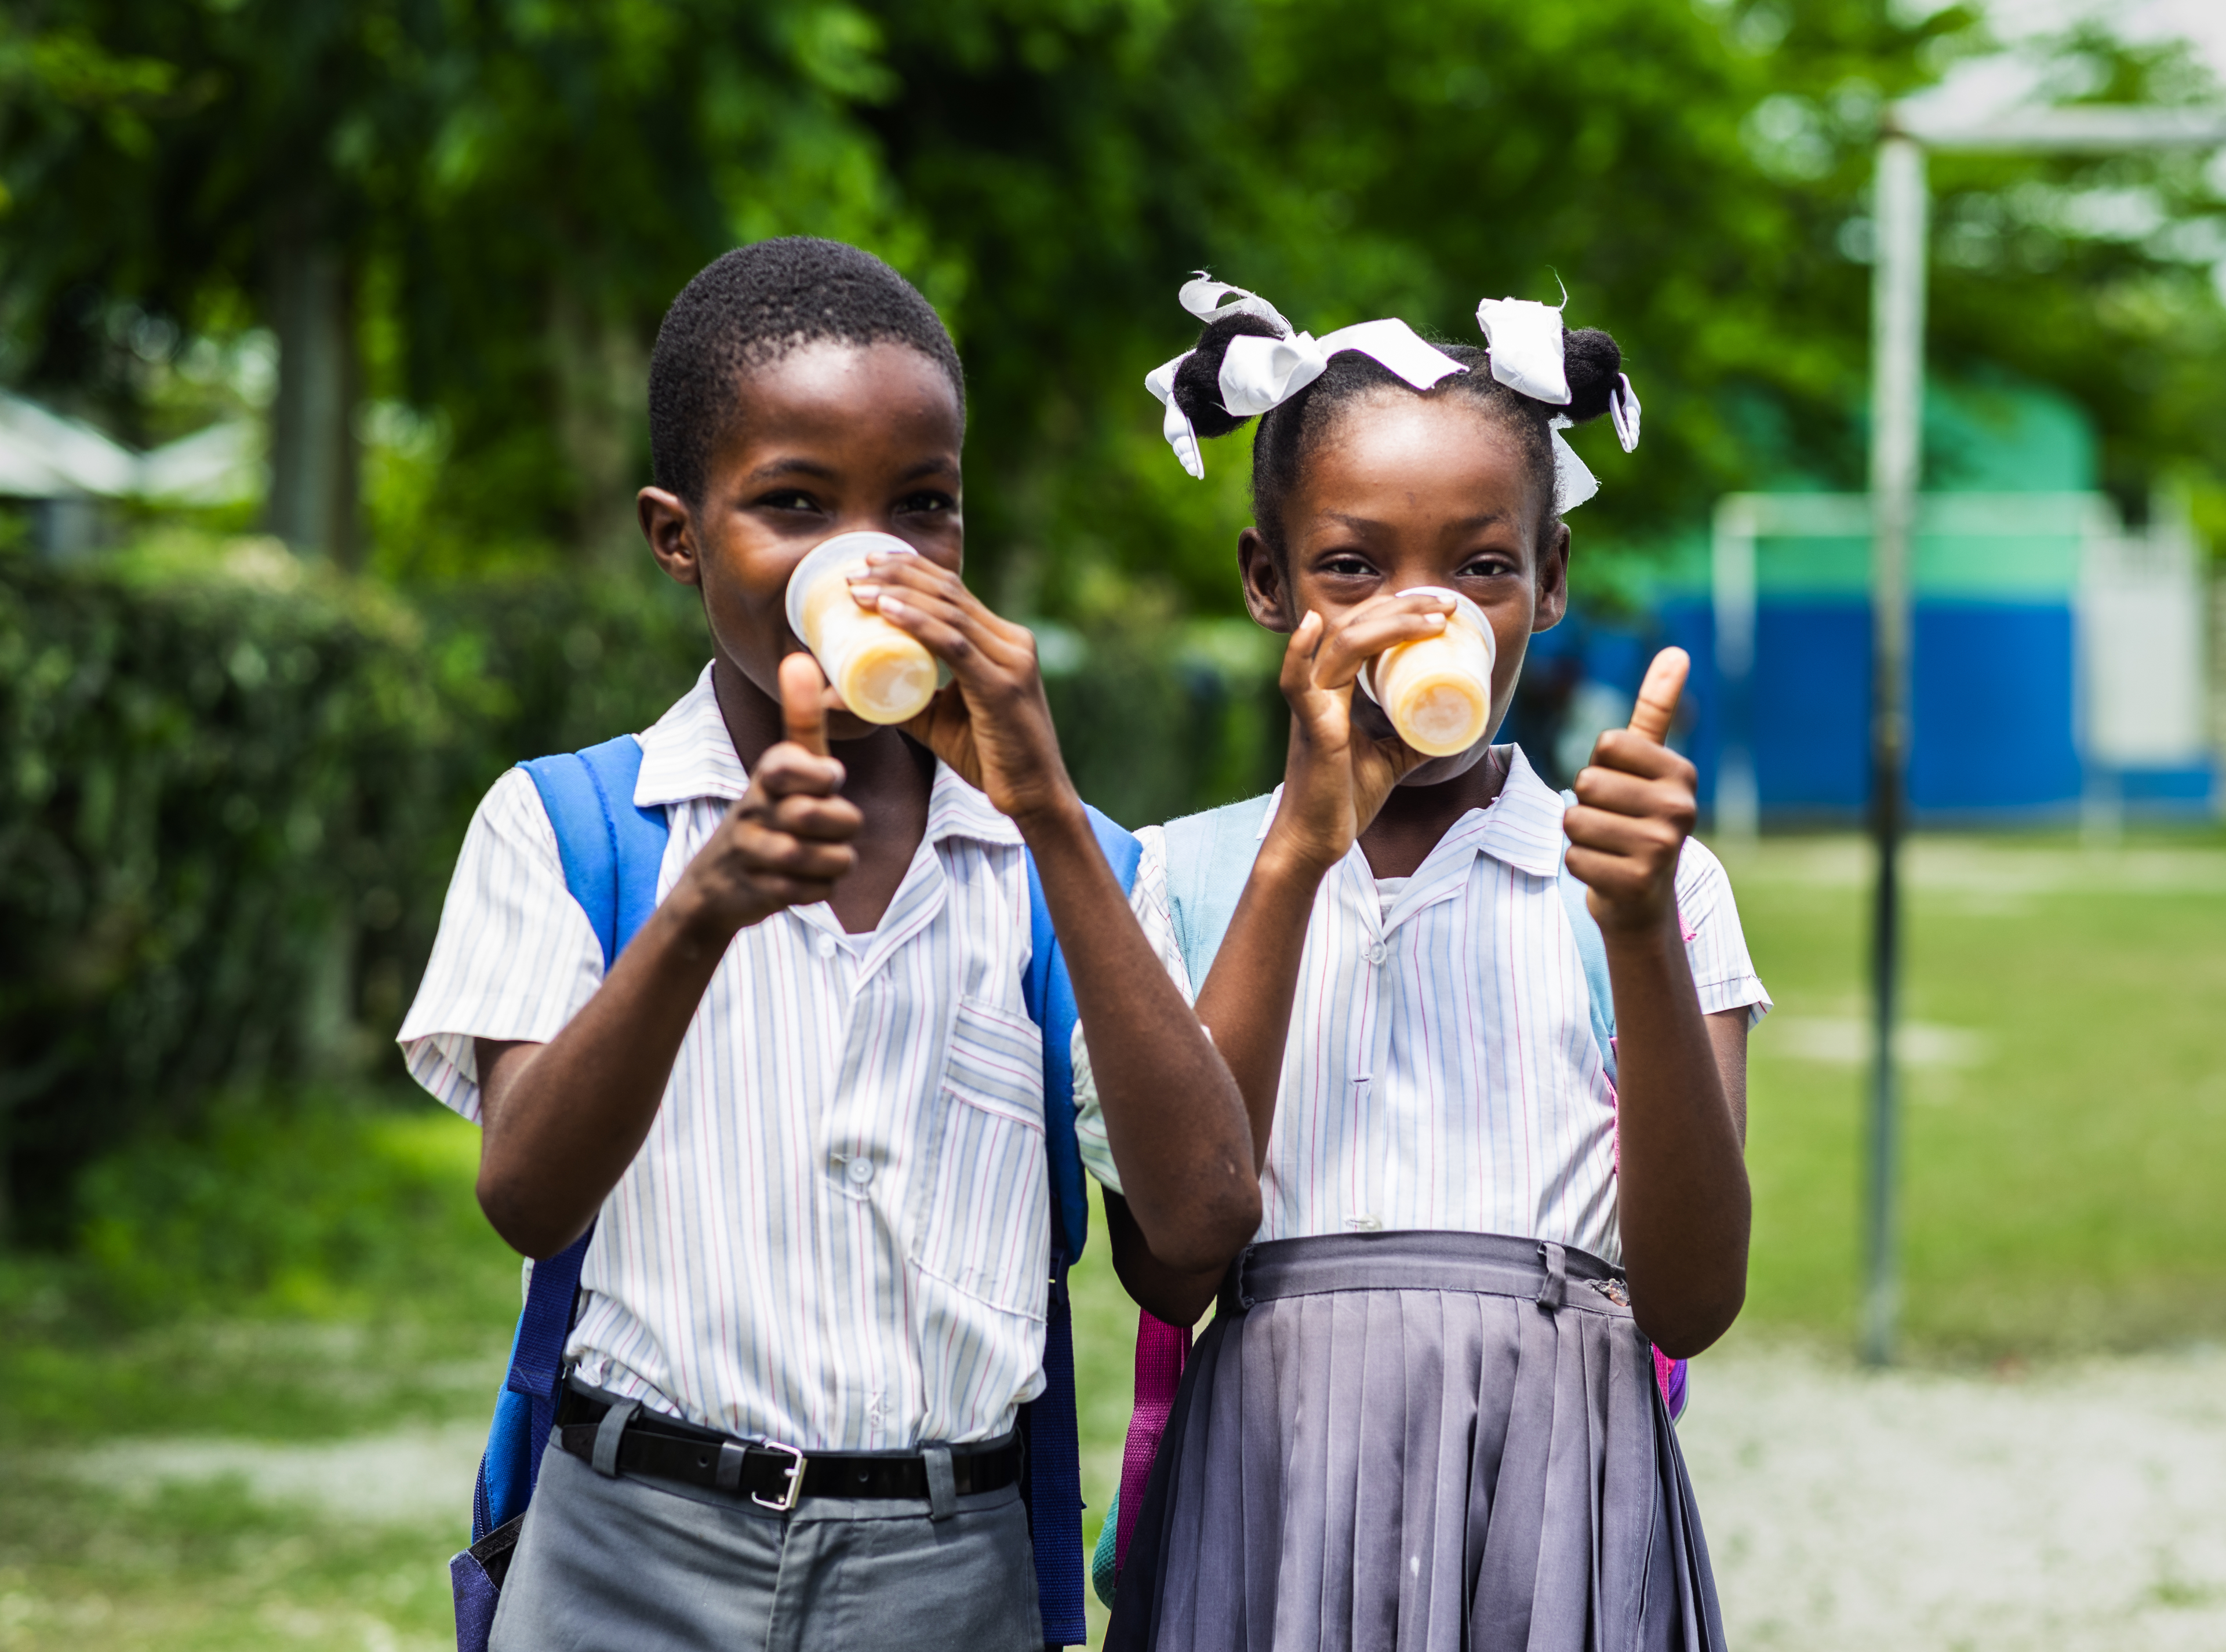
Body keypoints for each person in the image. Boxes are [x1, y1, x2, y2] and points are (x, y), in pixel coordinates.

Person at [398, 238, 1259, 1652]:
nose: (872, 561)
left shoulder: (1072, 869)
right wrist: (700, 913)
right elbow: (529, 1200)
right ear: (679, 536)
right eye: (795, 505)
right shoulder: (569, 828)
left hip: (952, 1562)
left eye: (922, 507)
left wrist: (1041, 804)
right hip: (627, 1544)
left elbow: (1204, 1222)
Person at [1087, 278, 1769, 1650]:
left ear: (1550, 582)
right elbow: (1167, 1271)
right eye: (1353, 566)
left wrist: (1633, 927)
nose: (1421, 614)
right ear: (1267, 584)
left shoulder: (1649, 880)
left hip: (1560, 1487)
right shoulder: (1179, 878)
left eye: (1481, 565)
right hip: (1268, 1484)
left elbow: (1691, 1300)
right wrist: (1297, 853)